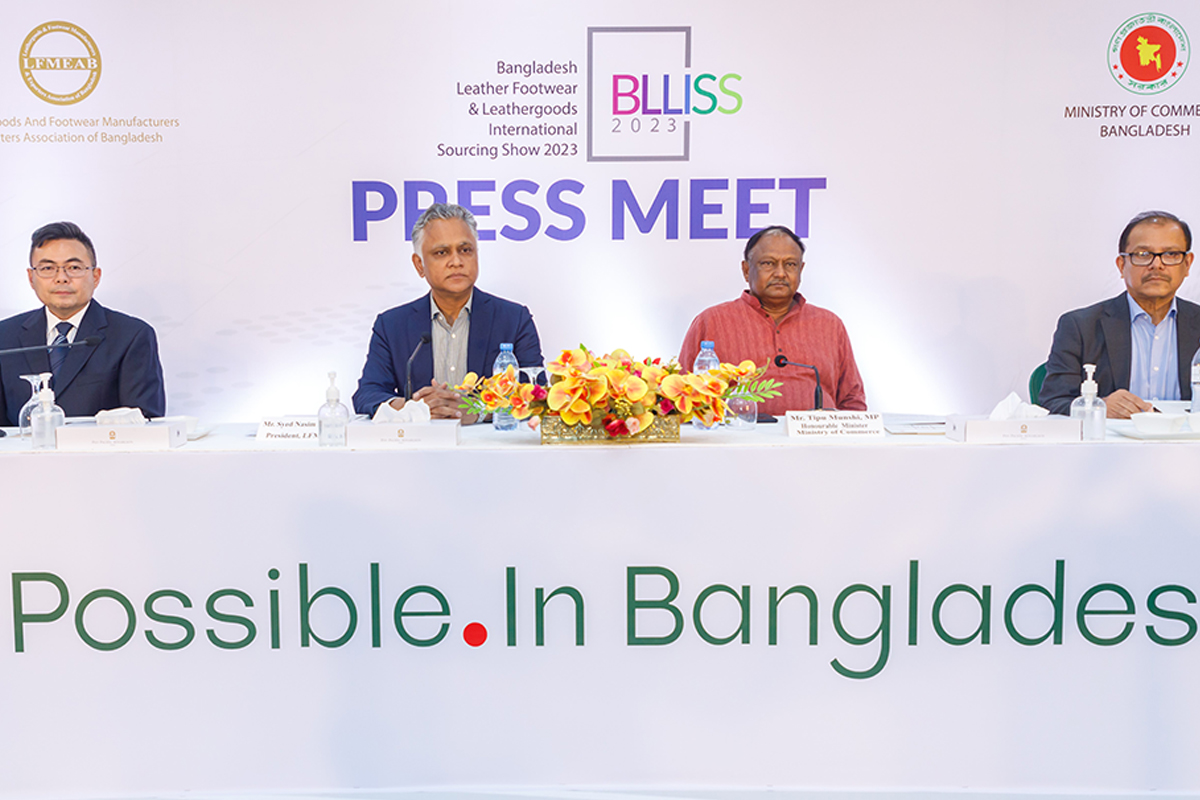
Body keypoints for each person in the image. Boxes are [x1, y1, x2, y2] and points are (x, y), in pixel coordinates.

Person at [353, 203, 543, 421]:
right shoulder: (391, 325)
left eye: (465, 250)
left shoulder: (514, 319)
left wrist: (478, 411)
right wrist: (417, 408)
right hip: (420, 442)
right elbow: (367, 395)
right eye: (442, 252)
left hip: (487, 441)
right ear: (419, 265)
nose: (456, 262)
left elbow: (537, 394)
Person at [679, 225, 866, 414]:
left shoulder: (829, 324)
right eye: (768, 263)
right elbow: (682, 396)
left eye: (790, 264)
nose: (780, 273)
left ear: (801, 270)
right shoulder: (711, 322)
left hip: (816, 432)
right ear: (746, 270)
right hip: (739, 432)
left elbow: (852, 400)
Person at [0, 221, 165, 426]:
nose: (61, 278)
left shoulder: (131, 336)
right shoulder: (4, 337)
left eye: (74, 268)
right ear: (31, 278)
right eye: (48, 268)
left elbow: (146, 421)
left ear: (95, 276)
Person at [1041, 210, 1199, 418]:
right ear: (1122, 265)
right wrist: (1099, 407)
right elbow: (1052, 402)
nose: (1157, 265)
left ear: (1187, 264)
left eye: (1171, 254)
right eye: (1143, 254)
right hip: (1111, 439)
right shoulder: (1080, 327)